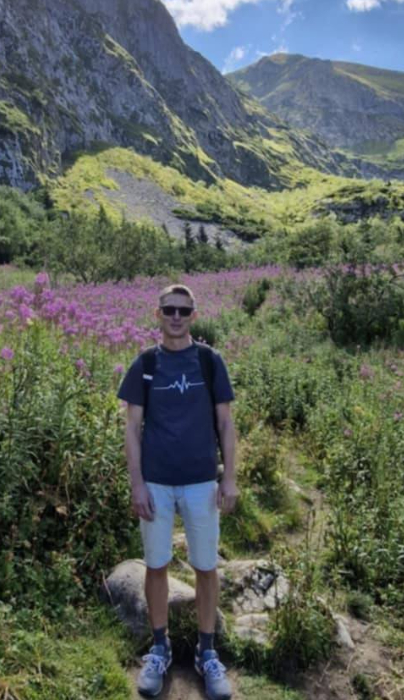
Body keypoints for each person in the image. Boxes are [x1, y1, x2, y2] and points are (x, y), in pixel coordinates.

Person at [118, 283, 238, 699]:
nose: (175, 317)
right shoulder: (146, 364)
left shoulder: (209, 361)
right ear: (158, 314)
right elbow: (132, 428)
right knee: (156, 565)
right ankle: (159, 647)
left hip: (203, 482)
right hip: (156, 484)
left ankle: (207, 653)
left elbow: (225, 424)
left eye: (183, 311)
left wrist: (230, 477)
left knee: (206, 567)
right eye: (169, 309)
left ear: (193, 314)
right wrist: (136, 483)